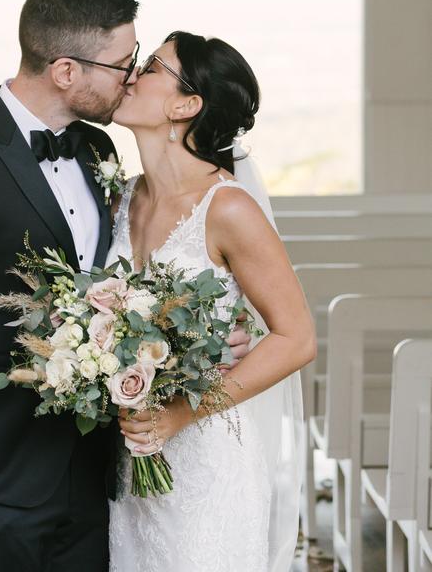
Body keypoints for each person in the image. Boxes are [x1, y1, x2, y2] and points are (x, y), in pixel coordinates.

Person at [0, 0, 251, 572]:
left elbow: (136, 286)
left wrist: (208, 336)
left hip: (97, 473)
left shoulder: (99, 151)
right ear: (65, 71)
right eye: (122, 62)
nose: (132, 76)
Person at [108, 31, 316, 572]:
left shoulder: (227, 208)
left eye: (151, 66)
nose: (131, 73)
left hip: (208, 464)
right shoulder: (122, 197)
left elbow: (297, 339)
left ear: (187, 104)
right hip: (125, 463)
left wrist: (179, 414)